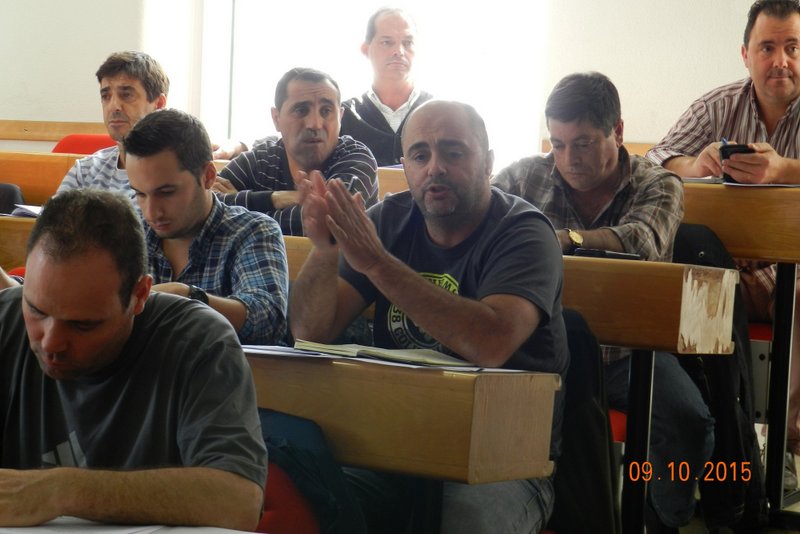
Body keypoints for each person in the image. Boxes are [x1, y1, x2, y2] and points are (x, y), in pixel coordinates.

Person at [289, 99, 567, 534]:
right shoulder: (389, 220)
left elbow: (490, 343)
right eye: (420, 155)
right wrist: (324, 251)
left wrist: (378, 263)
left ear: (488, 162)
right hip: (394, 445)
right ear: (405, 166)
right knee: (308, 504)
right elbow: (311, 331)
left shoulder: (524, 232)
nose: (435, 167)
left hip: (501, 457)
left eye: (453, 152)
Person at [492, 72, 715, 533]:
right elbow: (482, 228)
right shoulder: (521, 177)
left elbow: (643, 243)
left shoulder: (659, 184)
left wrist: (568, 240)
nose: (568, 159)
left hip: (630, 354)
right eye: (558, 144)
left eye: (583, 144)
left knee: (687, 421)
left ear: (617, 131)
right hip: (542, 346)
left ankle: (660, 518)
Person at [0, 188, 267, 529]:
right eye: (36, 310)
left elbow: (238, 501)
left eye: (83, 325)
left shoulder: (197, 341)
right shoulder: (5, 320)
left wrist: (61, 491)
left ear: (139, 295)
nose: (50, 342)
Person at [646, 0, 800, 488]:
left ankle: (785, 445)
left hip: (793, 272)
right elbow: (653, 161)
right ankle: (712, 450)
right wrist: (695, 166)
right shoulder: (718, 105)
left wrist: (783, 170)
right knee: (691, 281)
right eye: (767, 48)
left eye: (793, 47)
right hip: (728, 267)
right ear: (745, 54)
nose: (781, 61)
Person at [123, 108, 289, 345]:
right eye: (140, 194)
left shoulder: (253, 231)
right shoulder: (128, 234)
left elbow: (268, 321)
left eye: (167, 192)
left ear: (209, 176)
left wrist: (188, 297)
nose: (151, 212)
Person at [213, 67, 378, 236]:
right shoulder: (258, 162)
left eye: (326, 111)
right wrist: (276, 197)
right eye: (301, 110)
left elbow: (328, 221)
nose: (315, 124)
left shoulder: (357, 159)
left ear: (340, 117)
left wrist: (238, 213)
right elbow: (205, 207)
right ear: (276, 118)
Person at [56, 51, 168, 197]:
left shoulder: (176, 174)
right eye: (106, 96)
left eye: (126, 95)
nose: (113, 106)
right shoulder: (85, 171)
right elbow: (55, 213)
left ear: (158, 104)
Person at [339, 8, 433, 167]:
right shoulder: (344, 115)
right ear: (365, 49)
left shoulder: (439, 114)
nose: (399, 51)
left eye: (408, 43)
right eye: (387, 42)